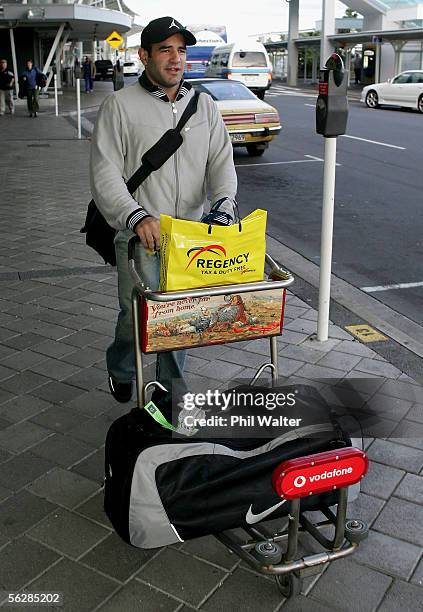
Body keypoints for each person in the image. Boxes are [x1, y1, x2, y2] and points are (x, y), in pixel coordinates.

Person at [90, 16, 237, 406]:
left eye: (181, 50)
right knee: (134, 316)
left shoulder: (203, 105)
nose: (176, 59)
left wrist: (223, 205)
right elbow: (105, 175)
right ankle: (121, 366)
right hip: (139, 233)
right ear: (144, 56)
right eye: (165, 50)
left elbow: (222, 163)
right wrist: (136, 216)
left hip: (190, 236)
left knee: (180, 318)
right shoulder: (118, 106)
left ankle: (171, 391)